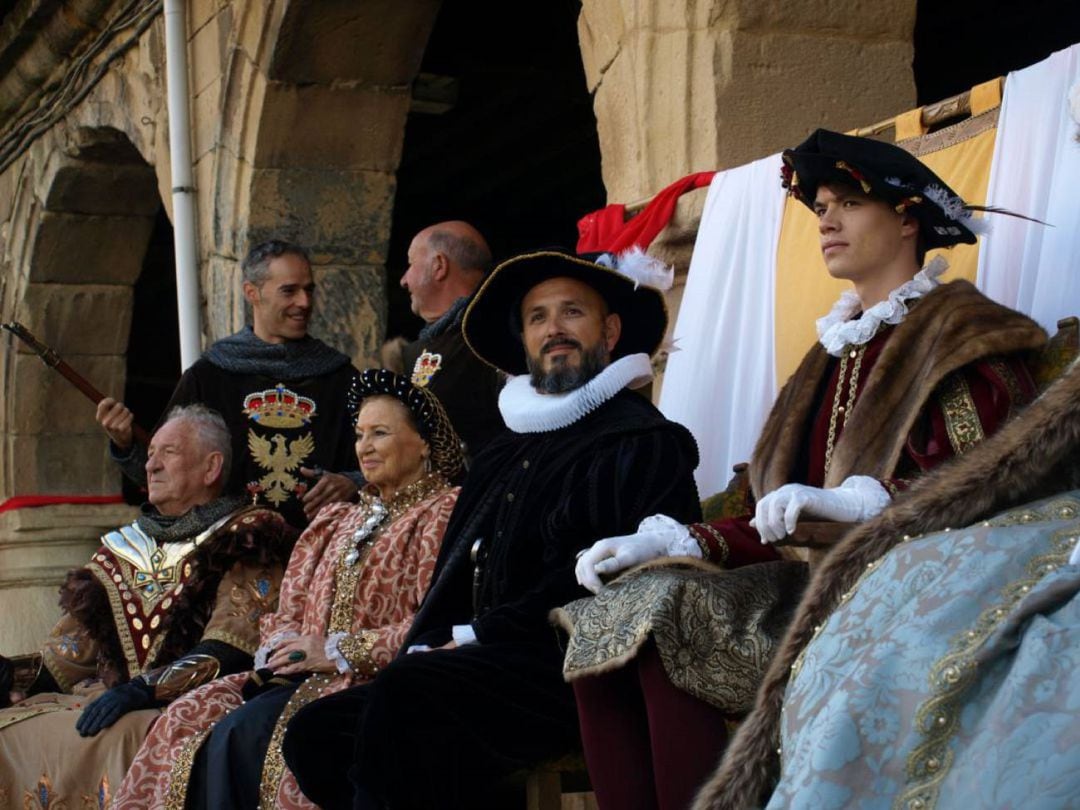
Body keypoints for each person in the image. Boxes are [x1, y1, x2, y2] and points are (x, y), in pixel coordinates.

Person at [559, 129, 1048, 810]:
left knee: (667, 609)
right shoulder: (829, 353)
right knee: (613, 612)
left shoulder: (959, 331)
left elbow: (999, 476)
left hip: (911, 589)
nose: (827, 221)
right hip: (806, 582)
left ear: (907, 217)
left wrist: (862, 502)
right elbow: (771, 509)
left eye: (848, 202)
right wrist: (675, 539)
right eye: (819, 207)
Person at [281, 249, 703, 809]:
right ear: (524, 344)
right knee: (316, 732)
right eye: (537, 318)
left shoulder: (643, 442)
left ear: (610, 331)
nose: (553, 329)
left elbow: (628, 580)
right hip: (480, 664)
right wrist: (432, 643)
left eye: (571, 313)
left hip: (576, 666)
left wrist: (478, 637)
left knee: (411, 700)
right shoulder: (504, 453)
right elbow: (452, 580)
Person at [699, 356, 1080, 810]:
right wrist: (692, 537)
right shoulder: (820, 362)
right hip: (859, 560)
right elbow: (759, 502)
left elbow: (976, 466)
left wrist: (861, 501)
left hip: (885, 547)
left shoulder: (959, 345)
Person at [113, 370, 464, 809]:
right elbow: (285, 608)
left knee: (238, 739)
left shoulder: (445, 515)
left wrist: (336, 649)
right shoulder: (339, 519)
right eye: (359, 434)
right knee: (182, 719)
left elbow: (435, 625)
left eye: (380, 433)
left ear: (424, 442)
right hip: (298, 679)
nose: (364, 447)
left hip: (373, 684)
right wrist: (284, 644)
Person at [0, 404, 293, 808]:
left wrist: (144, 689)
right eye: (151, 452)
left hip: (198, 702)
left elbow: (233, 646)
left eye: (167, 453)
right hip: (114, 698)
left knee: (129, 734)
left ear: (211, 468)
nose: (151, 465)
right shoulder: (120, 550)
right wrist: (11, 674)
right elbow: (65, 661)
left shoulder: (248, 535)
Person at [97, 239, 363, 528]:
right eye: (289, 291)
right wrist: (126, 445)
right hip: (229, 553)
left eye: (309, 290)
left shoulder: (340, 376)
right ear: (252, 292)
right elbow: (163, 477)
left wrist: (352, 482)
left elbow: (389, 466)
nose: (304, 302)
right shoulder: (210, 376)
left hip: (322, 551)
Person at [399, 220, 505, 459]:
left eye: (410, 264)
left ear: (439, 266)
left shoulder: (494, 337)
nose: (403, 280)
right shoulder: (419, 348)